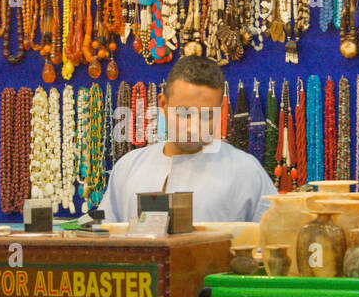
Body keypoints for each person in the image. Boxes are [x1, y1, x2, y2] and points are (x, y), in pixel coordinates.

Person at [98, 56, 276, 224]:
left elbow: (275, 241)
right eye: (183, 113)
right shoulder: (127, 168)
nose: (193, 128)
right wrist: (74, 227)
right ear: (163, 104)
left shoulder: (246, 172)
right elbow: (101, 228)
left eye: (206, 116)